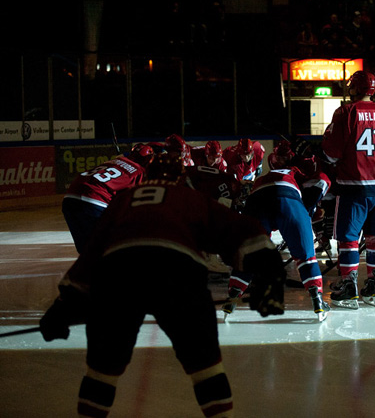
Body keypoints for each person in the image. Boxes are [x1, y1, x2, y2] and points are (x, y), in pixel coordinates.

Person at [39, 153, 286, 418]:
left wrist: (63, 307)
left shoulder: (123, 201)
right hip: (178, 272)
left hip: (119, 275)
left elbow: (91, 258)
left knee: (102, 370)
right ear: (180, 178)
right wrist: (269, 274)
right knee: (206, 369)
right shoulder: (190, 198)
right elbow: (239, 231)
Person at [319, 70, 375, 309]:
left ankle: (349, 286)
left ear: (354, 88)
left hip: (354, 188)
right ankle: (374, 286)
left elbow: (330, 155)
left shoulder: (345, 112)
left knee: (348, 240)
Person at [223, 143, 332, 321]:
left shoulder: (263, 175)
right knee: (305, 257)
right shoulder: (296, 172)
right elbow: (323, 179)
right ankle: (317, 300)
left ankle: (232, 297)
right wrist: (308, 207)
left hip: (256, 200)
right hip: (287, 197)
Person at [62, 143, 154, 253]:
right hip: (94, 201)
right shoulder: (139, 172)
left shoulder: (112, 161)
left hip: (69, 199)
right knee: (109, 247)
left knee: (86, 250)